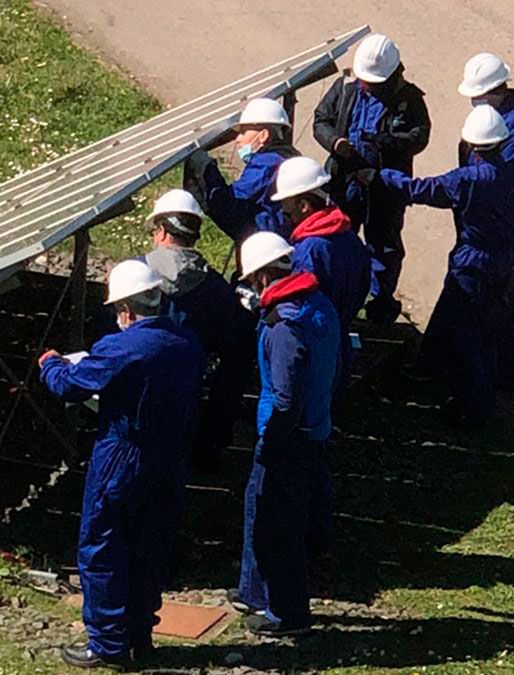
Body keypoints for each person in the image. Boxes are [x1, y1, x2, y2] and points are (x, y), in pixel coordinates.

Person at [40, 260, 206, 670]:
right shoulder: (187, 344)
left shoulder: (121, 348)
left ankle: (106, 643)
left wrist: (51, 364)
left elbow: (70, 386)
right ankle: (139, 635)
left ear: (127, 310)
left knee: (103, 545)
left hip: (122, 453)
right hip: (169, 457)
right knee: (149, 548)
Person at [376, 106, 514, 423]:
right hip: (503, 259)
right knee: (484, 328)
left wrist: (381, 176)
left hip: (473, 262)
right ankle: (472, 386)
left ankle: (473, 406)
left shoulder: (469, 179)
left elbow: (421, 189)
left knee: (465, 336)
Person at [226, 231, 339, 636]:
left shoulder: (282, 328)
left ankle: (286, 613)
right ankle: (255, 593)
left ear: (260, 277)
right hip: (314, 428)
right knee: (268, 511)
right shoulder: (318, 305)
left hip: (285, 437)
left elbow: (286, 398)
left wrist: (270, 443)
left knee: (278, 525)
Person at [313, 33, 431, 325]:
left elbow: (418, 137)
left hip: (385, 186)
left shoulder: (409, 100)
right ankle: (339, 299)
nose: (366, 85)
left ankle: (379, 309)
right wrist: (335, 143)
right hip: (344, 181)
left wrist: (383, 142)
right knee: (337, 241)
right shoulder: (346, 87)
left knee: (384, 248)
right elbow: (321, 120)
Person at [457, 52, 514, 390]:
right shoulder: (496, 119)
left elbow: (494, 182)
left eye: (477, 94)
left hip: (505, 225)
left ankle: (502, 372)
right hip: (490, 222)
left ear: (496, 90)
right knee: (494, 291)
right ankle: (493, 367)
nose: (473, 100)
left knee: (501, 294)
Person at [143, 189, 257, 466]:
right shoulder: (215, 288)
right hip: (187, 396)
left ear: (161, 231)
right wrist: (213, 438)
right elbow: (236, 357)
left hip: (139, 397)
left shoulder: (136, 276)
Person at [272, 156, 371, 402]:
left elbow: (298, 304)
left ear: (304, 205)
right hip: (339, 340)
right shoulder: (348, 235)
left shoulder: (309, 250)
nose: (284, 212)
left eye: (287, 204)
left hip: (313, 344)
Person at [186, 98, 299, 244]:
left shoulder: (266, 164)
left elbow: (232, 200)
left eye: (243, 132)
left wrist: (206, 168)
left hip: (267, 242)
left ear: (263, 135)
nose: (237, 139)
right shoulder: (287, 157)